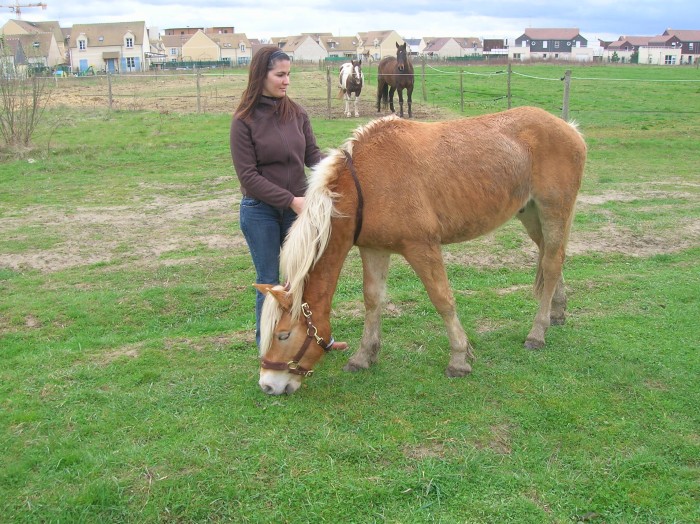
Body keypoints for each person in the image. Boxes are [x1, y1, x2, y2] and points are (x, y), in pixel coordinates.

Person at [230, 46, 346, 351]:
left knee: (304, 279)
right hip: (260, 212)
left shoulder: (297, 113)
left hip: (297, 210)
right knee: (270, 284)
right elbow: (248, 177)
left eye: (288, 75)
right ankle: (267, 347)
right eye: (280, 75)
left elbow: (312, 157)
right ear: (261, 76)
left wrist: (342, 164)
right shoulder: (243, 120)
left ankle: (318, 339)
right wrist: (291, 200)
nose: (286, 81)